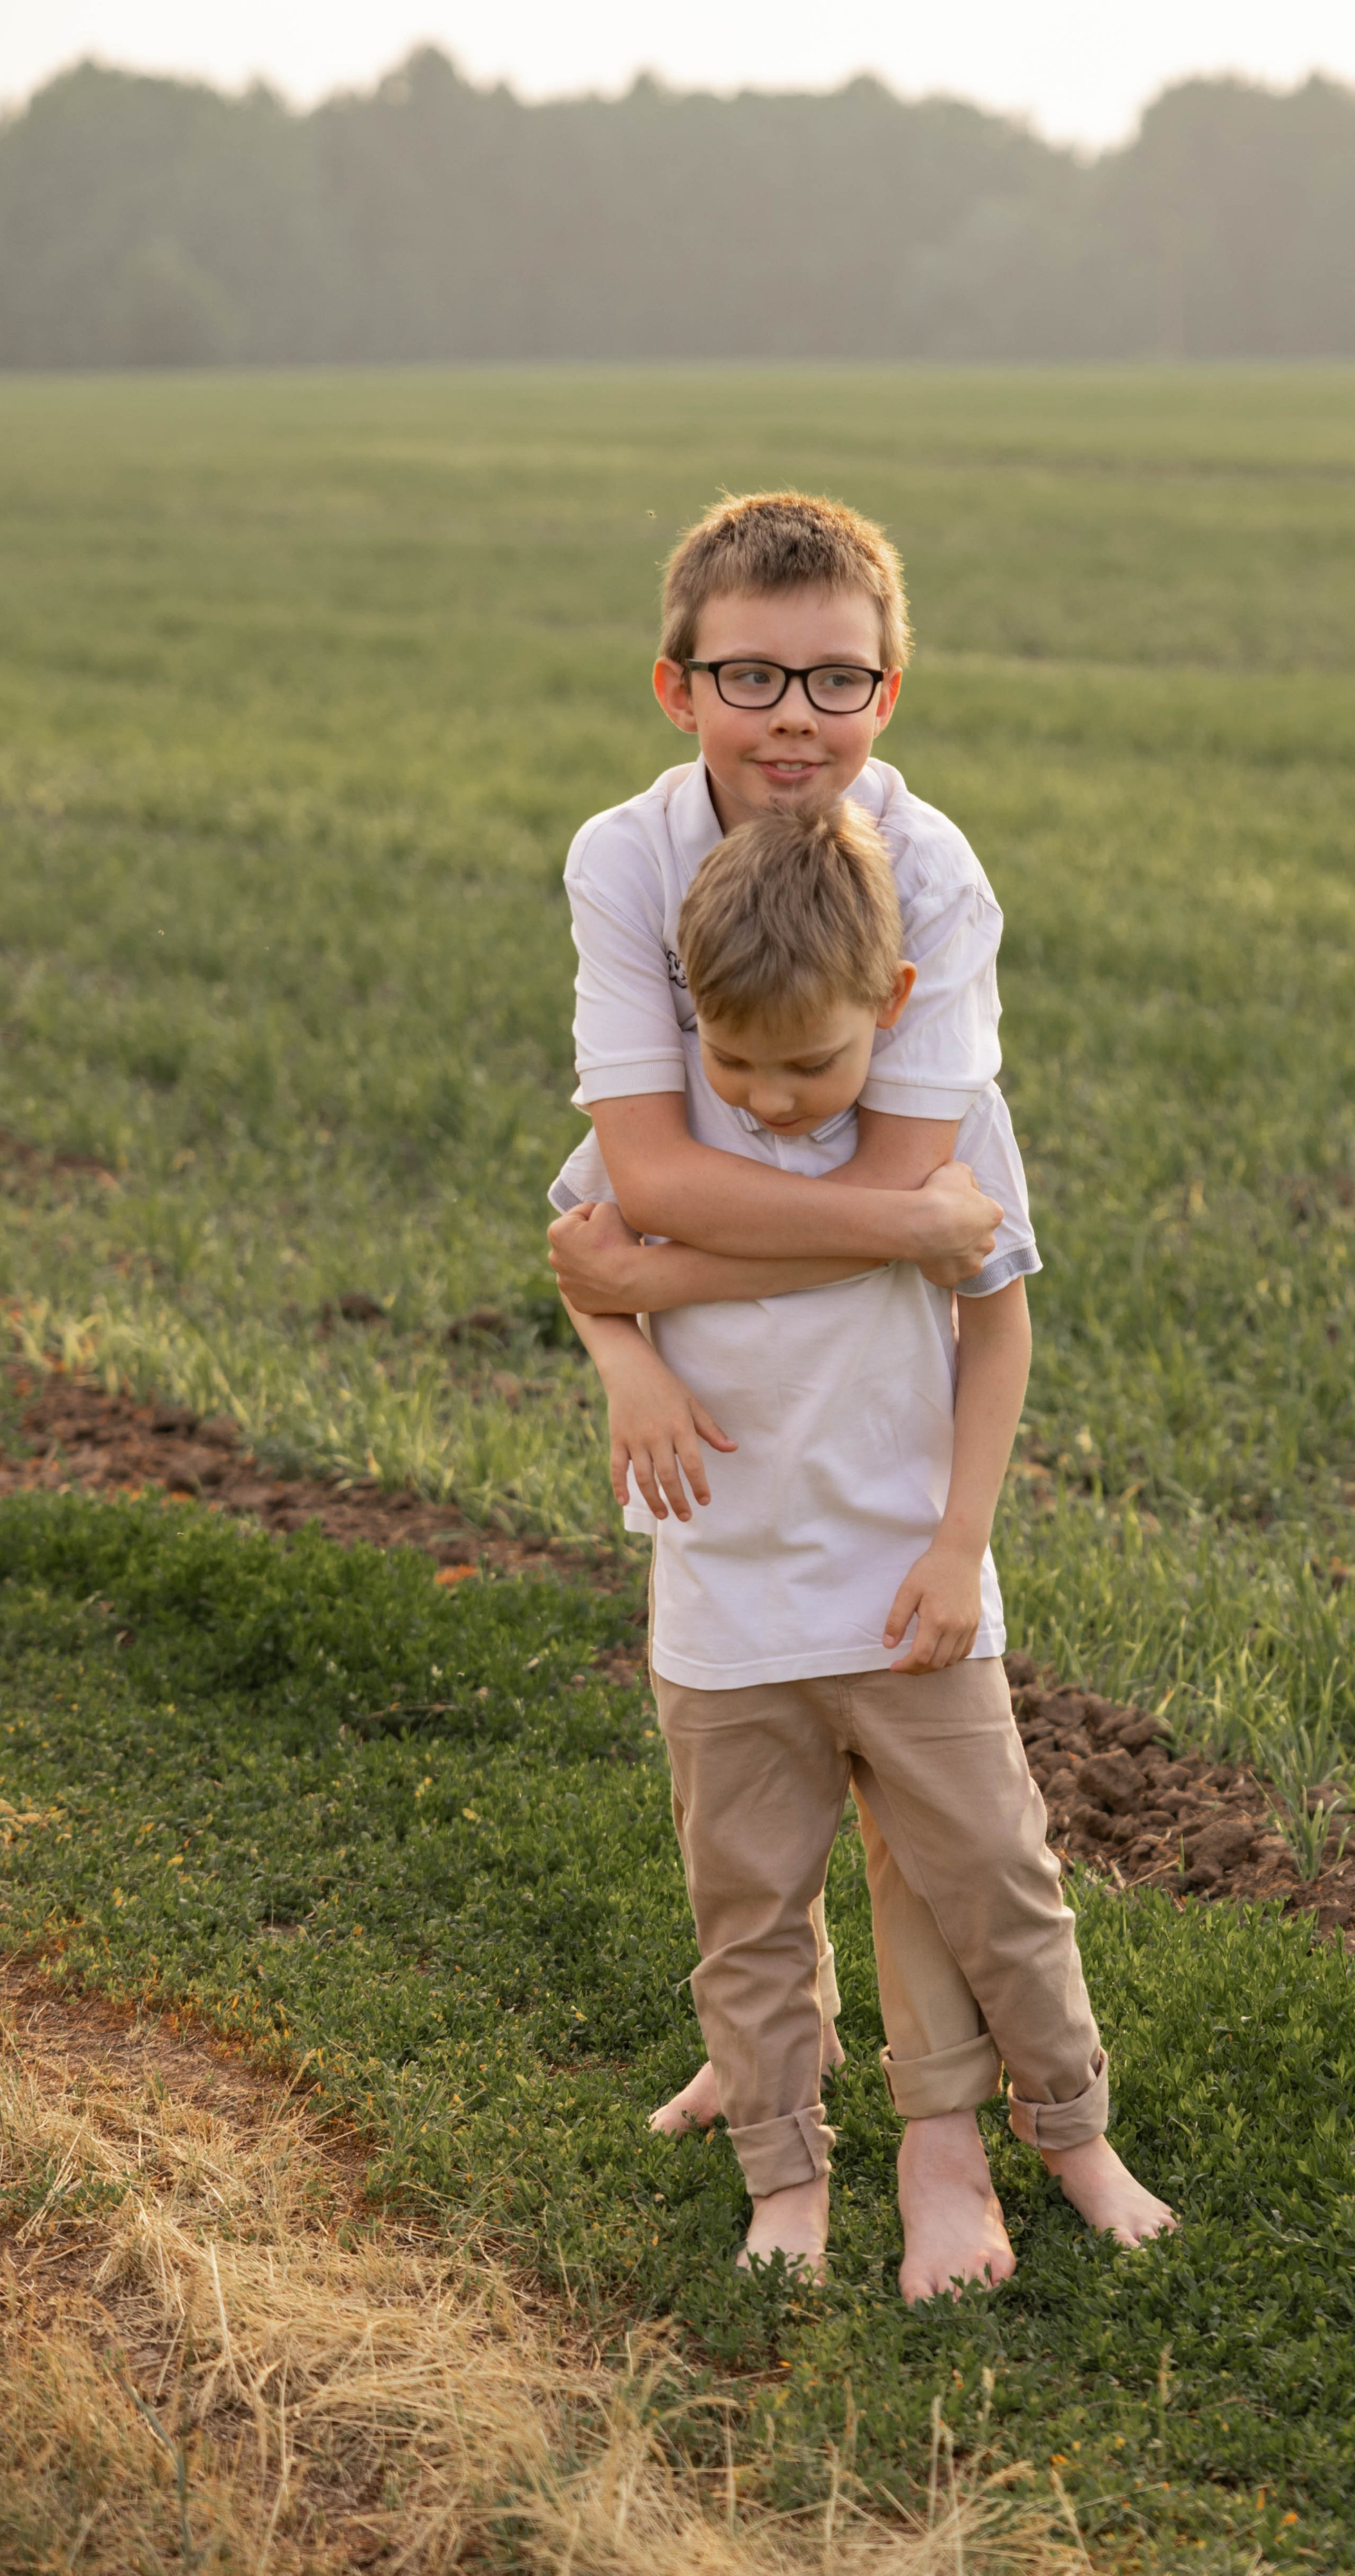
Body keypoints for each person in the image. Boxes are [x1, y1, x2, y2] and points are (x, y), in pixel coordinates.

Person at [551, 803, 1175, 2291]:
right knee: (748, 1907)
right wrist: (630, 1366)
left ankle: (1070, 2131)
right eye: (734, 1060)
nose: (767, 1102)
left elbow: (995, 1319)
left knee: (998, 1883)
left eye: (810, 1066)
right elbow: (583, 1262)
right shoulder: (657, 1136)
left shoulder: (951, 1133)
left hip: (906, 1589)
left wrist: (962, 1544)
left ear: (889, 1012)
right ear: (689, 1015)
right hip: (723, 1602)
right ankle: (783, 2169)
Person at [548, 490, 1022, 2295]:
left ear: (890, 693)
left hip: (895, 1394)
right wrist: (645, 1269)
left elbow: (919, 1206)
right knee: (747, 1757)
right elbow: (670, 1174)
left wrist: (648, 1272)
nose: (796, 716)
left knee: (917, 1780)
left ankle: (951, 2149)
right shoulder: (623, 857)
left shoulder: (938, 872)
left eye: (839, 677)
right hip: (742, 1406)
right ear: (678, 685)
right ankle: (775, 2055)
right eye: (754, 673)